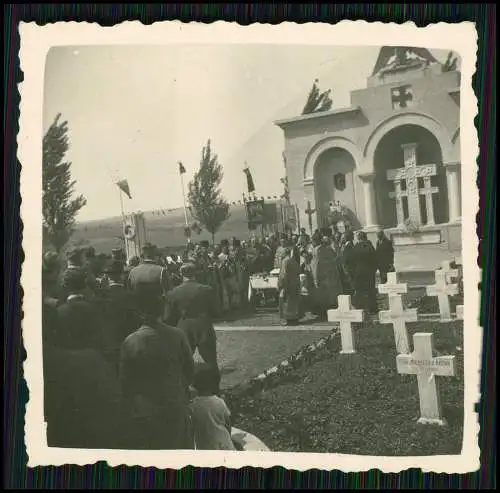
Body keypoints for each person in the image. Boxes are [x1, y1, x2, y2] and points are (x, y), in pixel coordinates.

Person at [119, 275, 195, 450]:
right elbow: (189, 371)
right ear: (162, 310)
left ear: (138, 312)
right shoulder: (177, 335)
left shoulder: (131, 341)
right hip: (174, 406)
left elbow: (125, 382)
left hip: (146, 412)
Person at [165, 262, 218, 370]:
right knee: (211, 361)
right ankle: (214, 384)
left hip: (183, 327)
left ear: (181, 274)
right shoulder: (206, 289)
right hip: (203, 326)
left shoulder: (173, 293)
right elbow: (215, 311)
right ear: (195, 273)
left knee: (183, 363)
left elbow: (169, 317)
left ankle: (185, 385)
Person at [189, 363, 235, 450]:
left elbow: (191, 427)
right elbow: (228, 423)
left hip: (205, 445)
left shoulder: (193, 405)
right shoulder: (219, 402)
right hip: (223, 442)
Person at [310, 231, 343, 317]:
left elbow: (316, 264)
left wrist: (316, 278)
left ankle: (324, 312)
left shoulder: (317, 250)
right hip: (329, 275)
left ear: (315, 241)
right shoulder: (327, 248)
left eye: (312, 241)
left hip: (321, 276)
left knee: (322, 295)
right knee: (329, 294)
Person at [352, 231, 378, 313]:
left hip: (359, 272)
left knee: (360, 291)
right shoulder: (369, 246)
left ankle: (360, 308)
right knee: (371, 291)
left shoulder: (355, 247)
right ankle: (373, 309)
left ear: (358, 238)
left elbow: (352, 261)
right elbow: (375, 259)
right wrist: (373, 270)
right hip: (369, 272)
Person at [277, 246, 302, 326]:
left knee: (286, 302)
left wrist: (281, 284)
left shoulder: (285, 261)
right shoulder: (294, 261)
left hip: (287, 284)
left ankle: (287, 319)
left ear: (285, 253)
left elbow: (283, 274)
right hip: (294, 284)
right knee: (293, 302)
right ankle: (294, 318)